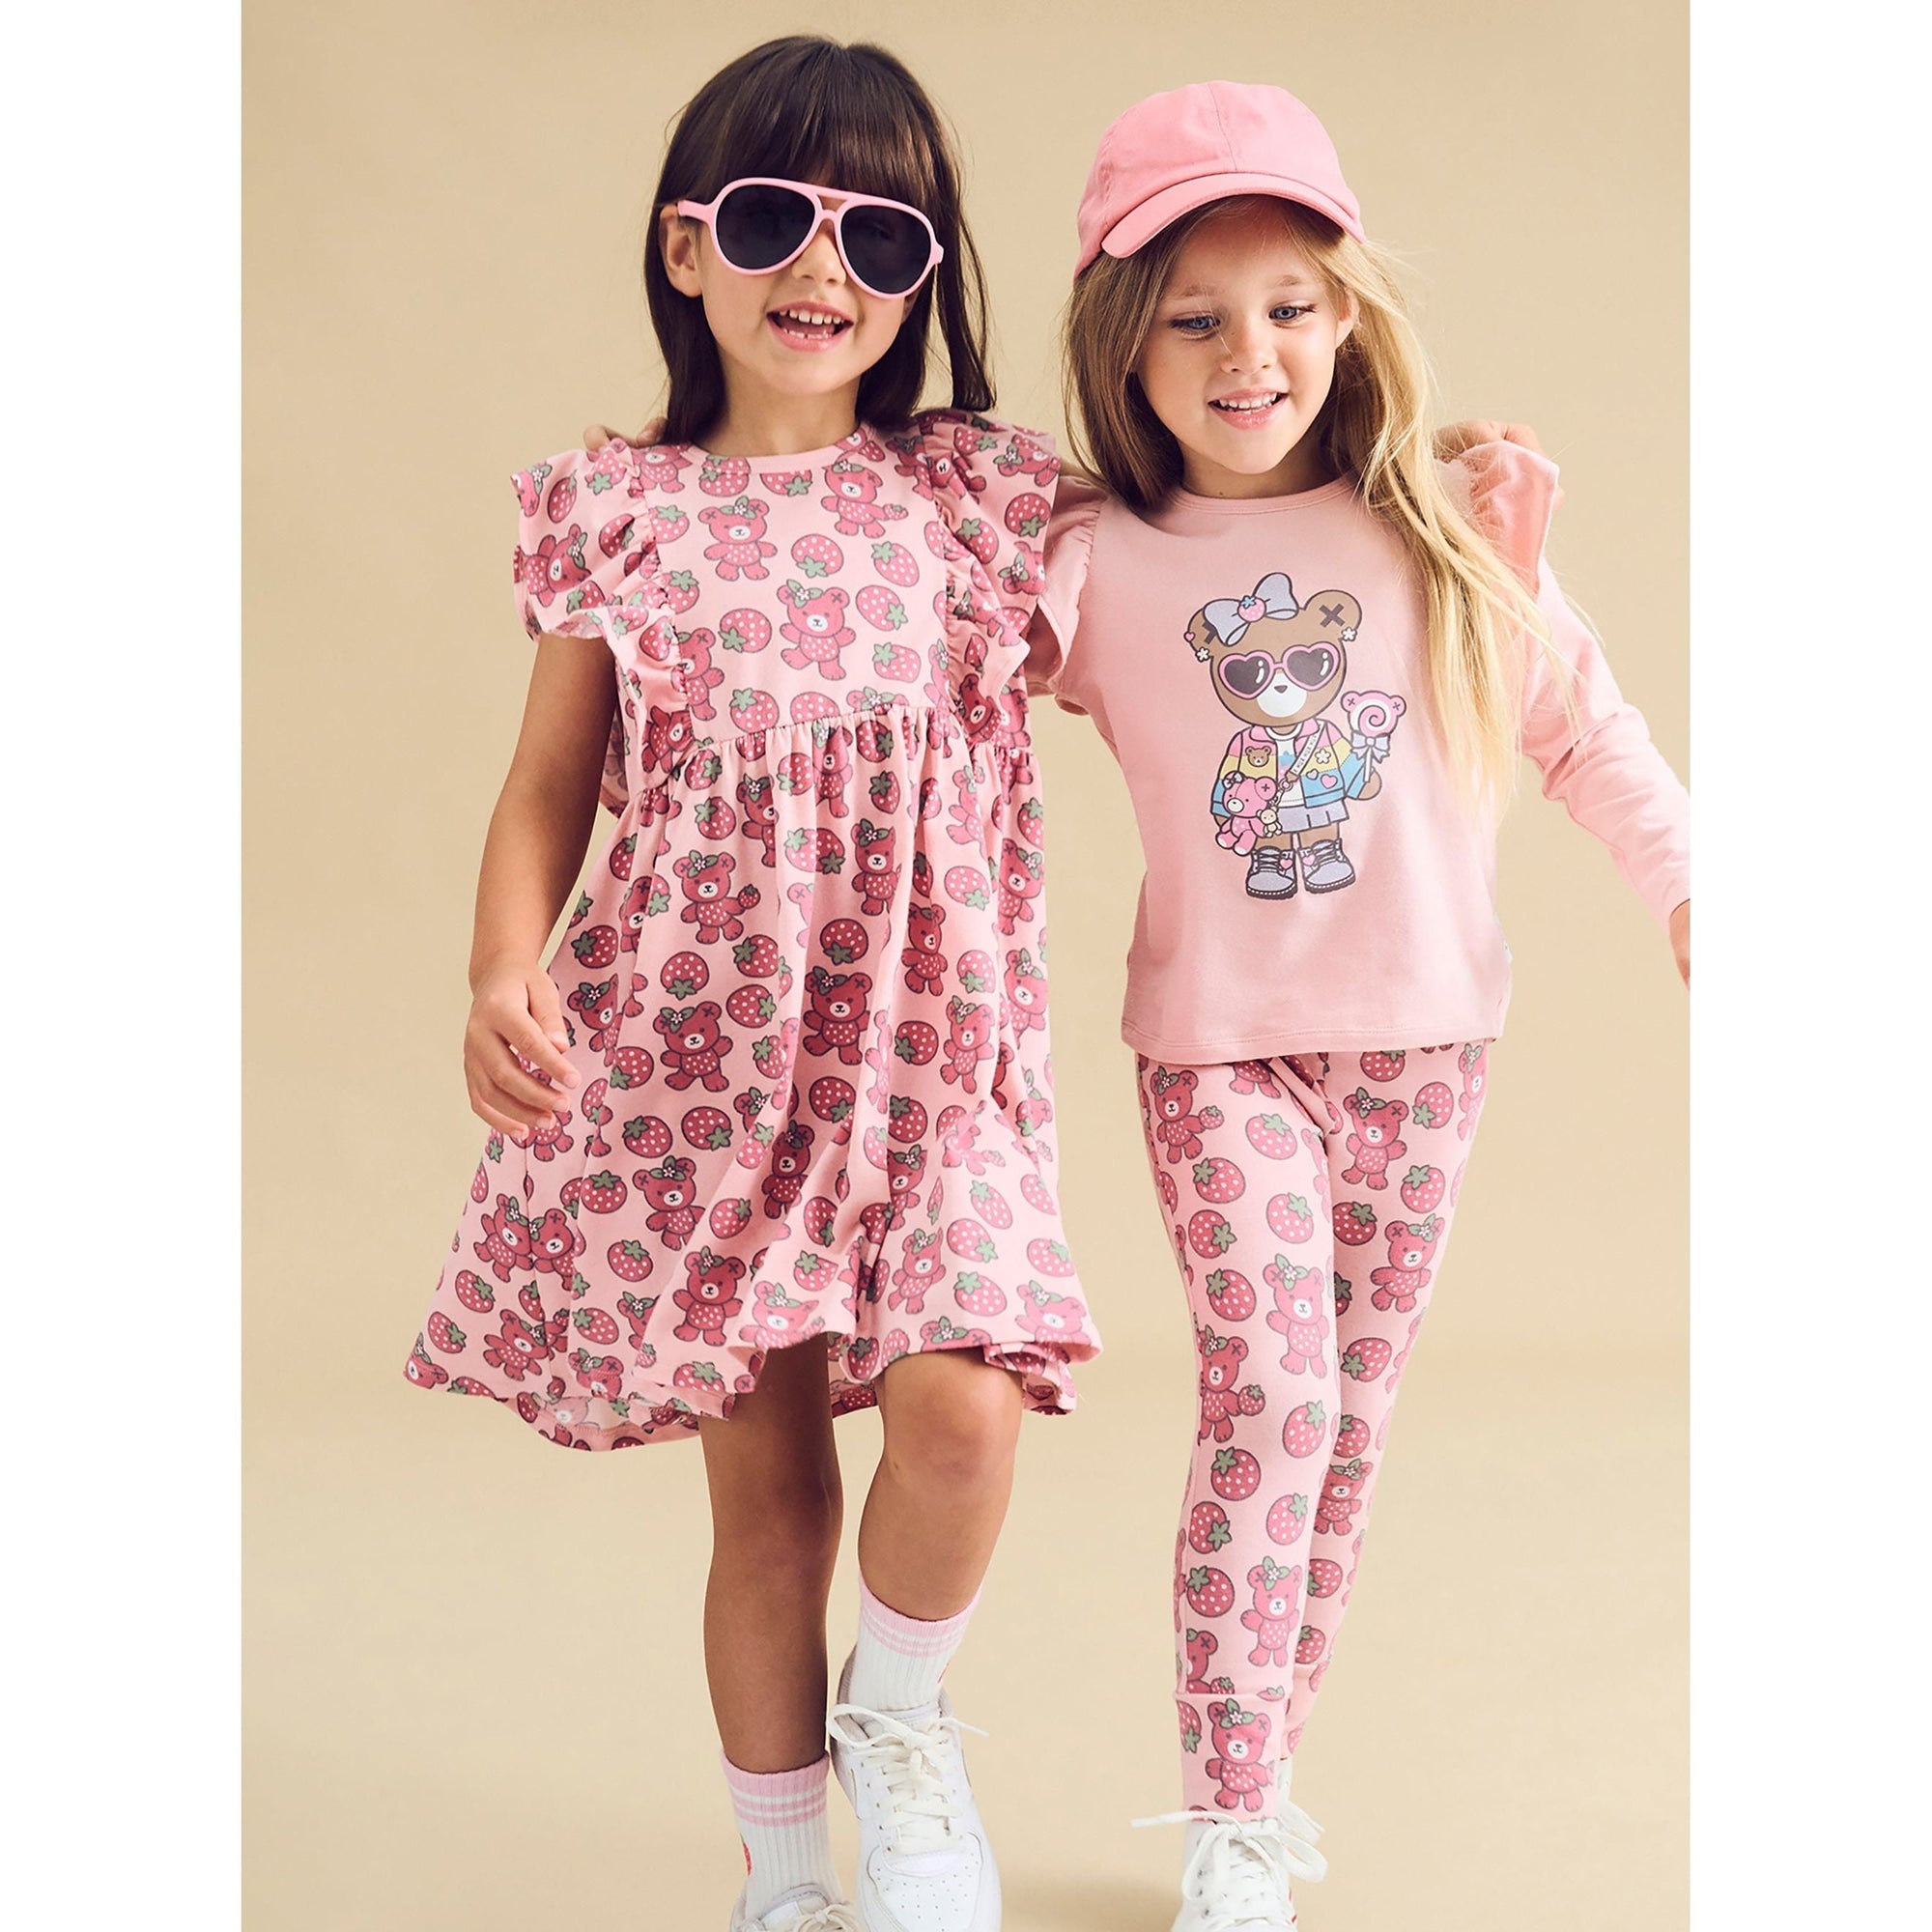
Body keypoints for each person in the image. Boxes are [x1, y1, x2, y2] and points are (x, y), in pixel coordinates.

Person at [404, 36, 1095, 1932]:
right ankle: (785, 1881)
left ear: (922, 279)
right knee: (772, 1507)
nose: (824, 267)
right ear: (687, 245)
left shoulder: (972, 494)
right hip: (703, 1071)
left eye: (883, 237)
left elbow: (1204, 568)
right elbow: (547, 787)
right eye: (780, 215)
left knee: (966, 1409)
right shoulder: (614, 504)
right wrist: (500, 968)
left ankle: (902, 1722)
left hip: (935, 1060)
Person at [1028, 81, 1690, 1930]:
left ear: (1348, 316)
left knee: (1351, 1422)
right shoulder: (1091, 565)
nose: (1250, 354)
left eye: (1290, 305)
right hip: (1218, 1052)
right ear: (1126, 343)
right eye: (1196, 317)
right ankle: (1229, 1817)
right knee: (1271, 1396)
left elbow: (1586, 731)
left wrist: (1694, 883)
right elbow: (915, 701)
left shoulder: (1445, 532)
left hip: (1426, 1048)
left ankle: (1263, 1793)